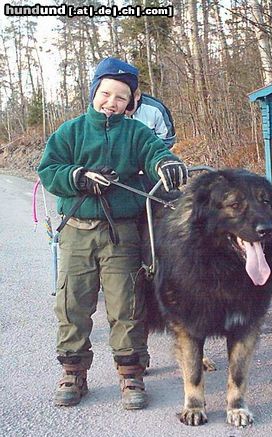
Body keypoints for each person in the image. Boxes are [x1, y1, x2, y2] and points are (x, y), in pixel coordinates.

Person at [37, 57, 188, 410]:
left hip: (122, 232)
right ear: (94, 93)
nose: (112, 102)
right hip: (77, 230)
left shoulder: (137, 132)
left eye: (121, 97)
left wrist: (166, 165)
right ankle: (73, 371)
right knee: (72, 303)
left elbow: (156, 155)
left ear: (132, 103)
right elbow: (49, 169)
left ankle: (130, 372)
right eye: (106, 94)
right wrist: (77, 176)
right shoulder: (71, 131)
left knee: (127, 304)